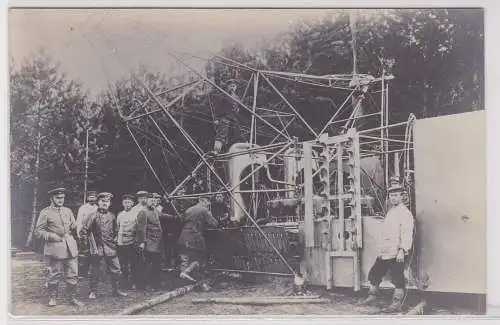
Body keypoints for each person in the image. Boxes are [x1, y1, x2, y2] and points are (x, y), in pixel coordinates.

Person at [361, 182, 415, 313]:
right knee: (375, 272)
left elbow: (406, 233)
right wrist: (381, 250)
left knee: (397, 277)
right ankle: (372, 296)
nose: (393, 198)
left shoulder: (405, 213)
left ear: (402, 196)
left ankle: (397, 302)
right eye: (391, 196)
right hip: (386, 250)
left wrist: (402, 250)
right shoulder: (391, 212)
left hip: (397, 252)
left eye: (396, 195)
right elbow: (385, 233)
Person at [34, 187, 83, 307]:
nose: (61, 200)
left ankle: (72, 298)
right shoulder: (45, 212)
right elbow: (38, 231)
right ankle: (52, 298)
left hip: (70, 247)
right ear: (52, 198)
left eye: (62, 198)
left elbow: (73, 225)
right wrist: (52, 236)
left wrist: (78, 227)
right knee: (54, 274)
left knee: (73, 273)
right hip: (55, 248)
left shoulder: (68, 211)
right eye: (58, 198)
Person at [79, 192, 128, 299]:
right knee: (95, 270)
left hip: (110, 247)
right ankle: (93, 291)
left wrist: (115, 240)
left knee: (116, 270)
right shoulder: (92, 216)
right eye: (103, 201)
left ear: (110, 203)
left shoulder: (112, 216)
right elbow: (83, 232)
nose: (105, 203)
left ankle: (116, 290)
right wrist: (87, 248)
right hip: (97, 247)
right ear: (98, 202)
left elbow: (116, 230)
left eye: (107, 201)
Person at [136, 193, 177, 291]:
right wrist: (142, 242)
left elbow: (163, 215)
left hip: (157, 242)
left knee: (156, 263)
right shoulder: (143, 212)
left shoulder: (155, 210)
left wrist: (176, 217)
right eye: (151, 201)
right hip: (149, 242)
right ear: (146, 201)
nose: (153, 202)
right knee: (149, 264)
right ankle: (146, 285)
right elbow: (141, 229)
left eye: (154, 201)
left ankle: (155, 284)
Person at [177, 197, 219, 288]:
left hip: (183, 237)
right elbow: (214, 223)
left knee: (185, 260)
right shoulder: (203, 210)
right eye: (207, 203)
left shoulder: (189, 209)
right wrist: (211, 215)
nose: (208, 205)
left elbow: (181, 220)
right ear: (202, 201)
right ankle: (186, 272)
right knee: (198, 260)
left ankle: (183, 280)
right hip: (194, 238)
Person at [212, 79, 244, 154]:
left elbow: (238, 109)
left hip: (234, 118)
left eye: (234, 86)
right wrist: (216, 119)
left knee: (237, 133)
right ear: (227, 87)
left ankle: (238, 150)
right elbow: (217, 107)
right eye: (231, 86)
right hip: (224, 117)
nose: (232, 87)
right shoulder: (222, 95)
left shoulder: (237, 98)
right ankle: (216, 150)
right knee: (222, 134)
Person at [116, 193, 139, 290]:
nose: (127, 204)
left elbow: (138, 229)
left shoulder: (136, 214)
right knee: (122, 263)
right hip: (121, 242)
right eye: (125, 202)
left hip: (131, 242)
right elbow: (117, 228)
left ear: (133, 204)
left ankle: (133, 282)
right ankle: (124, 282)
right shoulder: (120, 214)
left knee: (133, 263)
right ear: (122, 203)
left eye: (129, 202)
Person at [75, 190, 98, 278]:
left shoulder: (97, 207)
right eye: (90, 197)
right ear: (87, 198)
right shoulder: (83, 208)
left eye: (94, 197)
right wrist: (78, 232)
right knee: (83, 252)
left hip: (94, 234)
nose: (92, 198)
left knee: (94, 252)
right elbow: (79, 220)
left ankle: (91, 271)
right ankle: (82, 272)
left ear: (96, 198)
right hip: (84, 233)